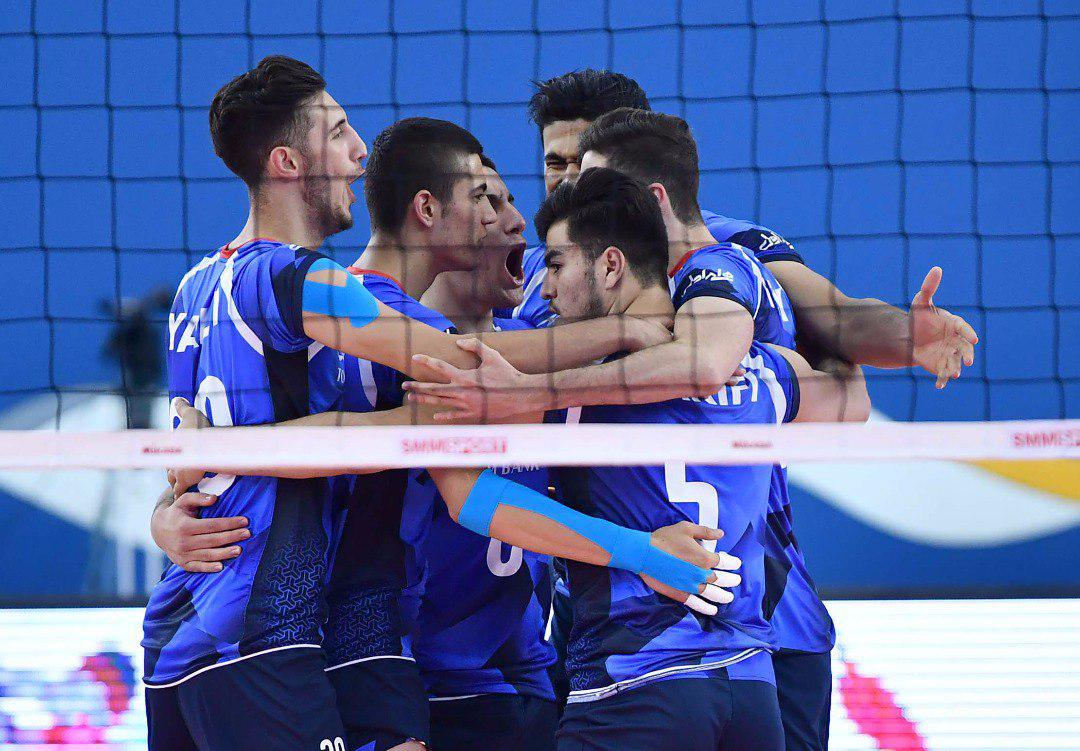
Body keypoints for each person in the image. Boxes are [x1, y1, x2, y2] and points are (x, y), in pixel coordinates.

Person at [152, 96, 738, 748]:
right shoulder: (359, 316)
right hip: (362, 640)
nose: (510, 219)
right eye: (486, 199)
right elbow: (464, 424)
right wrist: (629, 332)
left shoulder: (514, 329)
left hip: (516, 667)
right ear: (429, 209)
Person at [527, 168, 869, 750]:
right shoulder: (761, 373)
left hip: (634, 686)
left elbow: (477, 482)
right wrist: (817, 328)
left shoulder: (577, 392)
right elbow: (849, 399)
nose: (545, 289)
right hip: (751, 692)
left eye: (555, 266)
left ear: (611, 267)